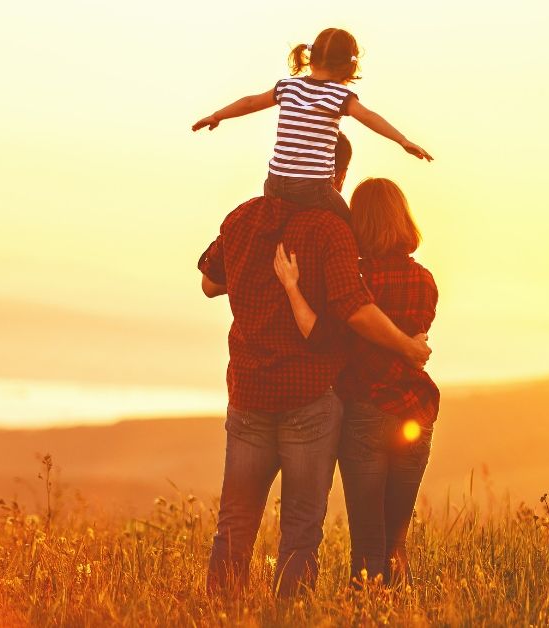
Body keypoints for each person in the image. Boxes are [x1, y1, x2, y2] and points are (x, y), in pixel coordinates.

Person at [197, 139, 431, 597]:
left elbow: (209, 283)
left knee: (235, 518)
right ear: (335, 175)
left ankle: (220, 612)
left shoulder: (243, 217)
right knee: (302, 525)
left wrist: (259, 278)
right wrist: (406, 345)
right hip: (309, 396)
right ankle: (290, 613)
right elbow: (352, 307)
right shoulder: (330, 229)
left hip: (249, 393)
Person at [273, 177, 438, 586]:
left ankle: (366, 614)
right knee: (396, 540)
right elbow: (417, 336)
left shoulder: (354, 281)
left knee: (368, 542)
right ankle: (402, 615)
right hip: (415, 412)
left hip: (364, 413)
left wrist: (293, 288)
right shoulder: (425, 280)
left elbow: (323, 334)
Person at [191, 27, 432, 222]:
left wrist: (217, 115)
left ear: (311, 57)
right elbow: (369, 117)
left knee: (273, 222)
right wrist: (402, 140)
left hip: (275, 182)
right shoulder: (339, 96)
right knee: (346, 226)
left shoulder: (288, 86)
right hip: (313, 188)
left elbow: (250, 102)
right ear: (349, 65)